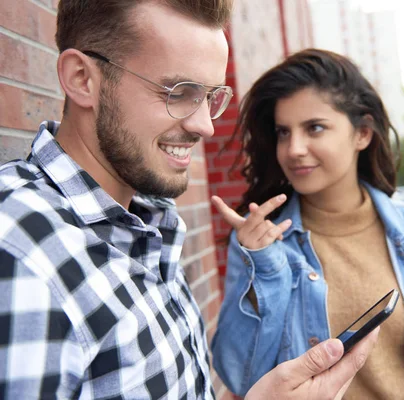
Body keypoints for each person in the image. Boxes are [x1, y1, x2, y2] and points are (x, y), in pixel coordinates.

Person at [0, 1, 380, 399]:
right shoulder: (21, 250)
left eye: (211, 96)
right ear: (82, 79)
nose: (206, 126)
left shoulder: (148, 225)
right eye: (180, 92)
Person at [210, 48, 404, 399]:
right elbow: (239, 377)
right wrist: (263, 269)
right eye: (283, 132)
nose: (294, 149)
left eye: (315, 128)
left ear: (362, 134)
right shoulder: (262, 243)